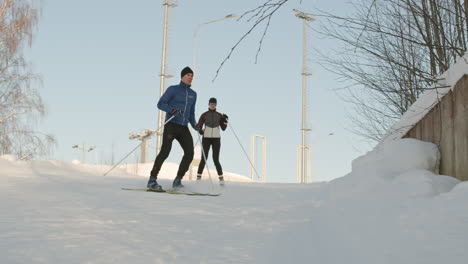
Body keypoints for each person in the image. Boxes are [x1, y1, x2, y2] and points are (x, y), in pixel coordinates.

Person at [147, 66, 199, 191]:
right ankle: (152, 180)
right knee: (165, 152)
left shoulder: (193, 94)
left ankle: (178, 180)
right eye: (188, 75)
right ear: (182, 76)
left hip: (183, 127)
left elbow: (191, 113)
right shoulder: (173, 89)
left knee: (190, 153)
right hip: (171, 124)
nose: (190, 77)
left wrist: (195, 125)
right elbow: (160, 104)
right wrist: (172, 110)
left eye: (192, 76)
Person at [196, 97, 228, 186]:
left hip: (216, 138)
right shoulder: (204, 114)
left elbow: (224, 128)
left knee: (216, 159)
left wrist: (225, 121)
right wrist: (200, 130)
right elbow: (199, 125)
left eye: (214, 104)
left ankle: (221, 180)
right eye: (211, 104)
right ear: (208, 104)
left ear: (216, 105)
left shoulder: (219, 115)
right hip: (206, 138)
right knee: (204, 159)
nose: (212, 106)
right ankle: (198, 179)